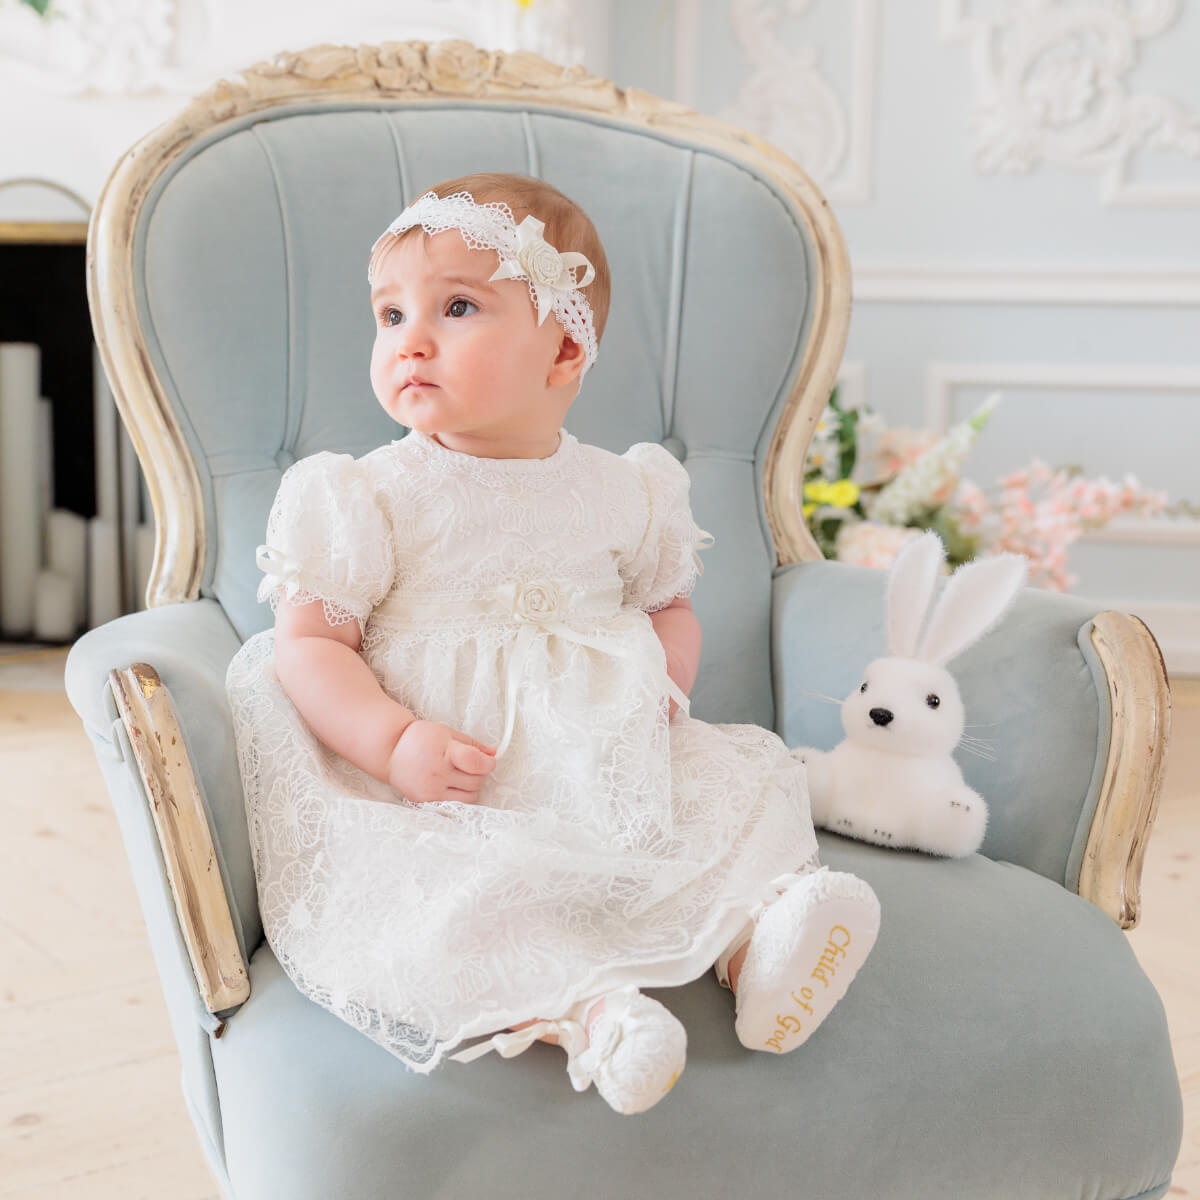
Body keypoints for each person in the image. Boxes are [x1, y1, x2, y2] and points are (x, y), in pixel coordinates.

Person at [226, 173, 880, 1116]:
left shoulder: (627, 489)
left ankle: (762, 950)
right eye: (390, 314)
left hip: (605, 755)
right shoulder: (367, 494)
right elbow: (309, 646)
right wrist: (393, 742)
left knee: (733, 789)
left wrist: (666, 683)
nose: (410, 339)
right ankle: (594, 1016)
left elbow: (668, 608)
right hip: (451, 781)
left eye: (456, 308)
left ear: (565, 349)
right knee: (458, 891)